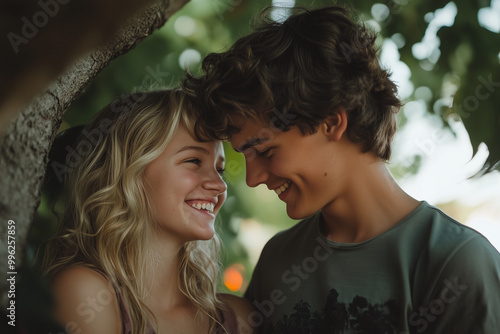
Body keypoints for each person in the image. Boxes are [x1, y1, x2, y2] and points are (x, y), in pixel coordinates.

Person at [183, 6, 500, 333]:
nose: (252, 179)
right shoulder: (279, 260)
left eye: (264, 151)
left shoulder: (456, 265)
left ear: (331, 122)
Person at [42, 89, 255, 334]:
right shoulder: (84, 295)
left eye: (219, 169)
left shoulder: (238, 318)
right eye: (194, 161)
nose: (219, 185)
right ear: (127, 172)